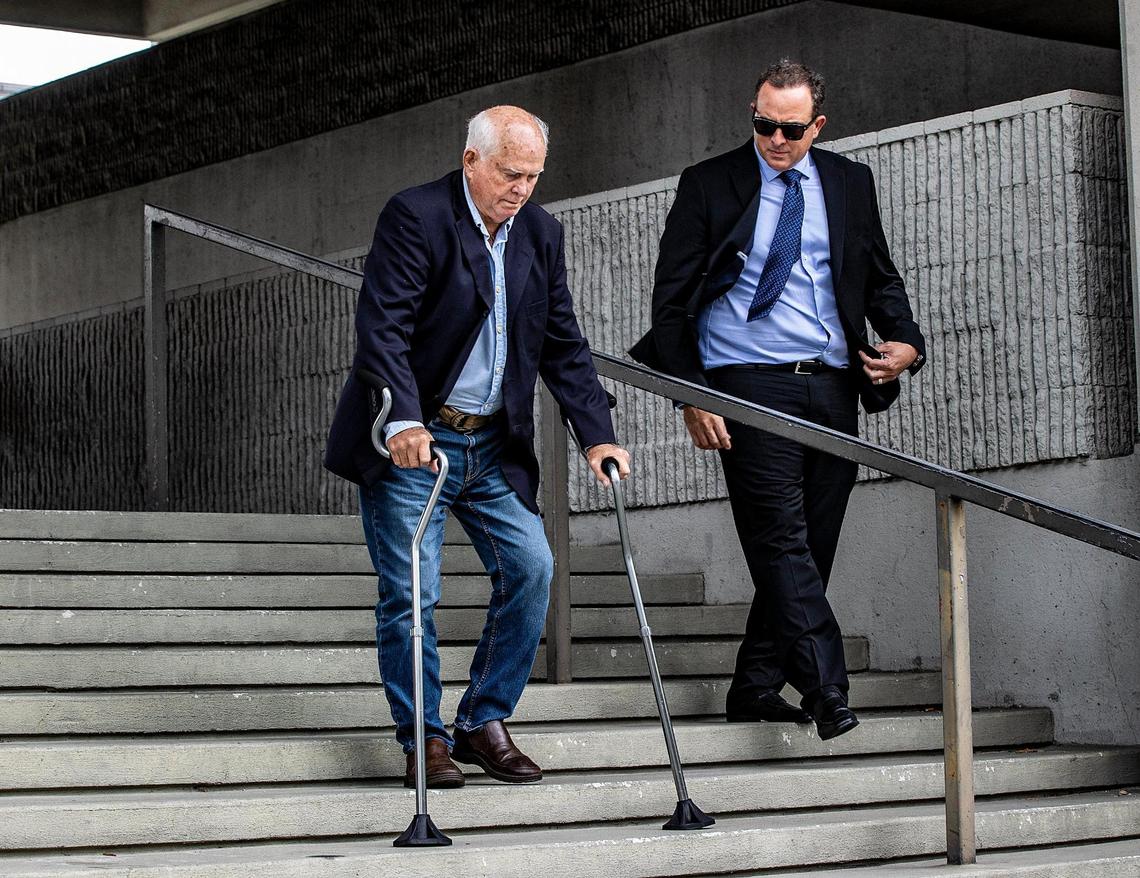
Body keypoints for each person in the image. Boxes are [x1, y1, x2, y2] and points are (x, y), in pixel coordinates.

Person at [325, 105, 631, 787]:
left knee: (532, 569)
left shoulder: (540, 234)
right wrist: (402, 419)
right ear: (472, 160)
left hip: (492, 445)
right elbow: (384, 328)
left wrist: (596, 436)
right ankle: (423, 738)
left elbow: (563, 343)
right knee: (413, 591)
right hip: (417, 441)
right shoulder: (417, 216)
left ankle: (482, 720)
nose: (521, 188)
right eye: (510, 173)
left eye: (532, 176)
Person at [630, 61, 926, 740]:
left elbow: (878, 275)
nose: (774, 139)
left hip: (832, 382)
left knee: (811, 544)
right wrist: (689, 393)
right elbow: (671, 302)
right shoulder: (709, 184)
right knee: (782, 539)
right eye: (763, 124)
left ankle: (757, 684)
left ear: (817, 125)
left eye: (790, 129)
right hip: (746, 382)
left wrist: (906, 341)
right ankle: (828, 689)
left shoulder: (849, 182)